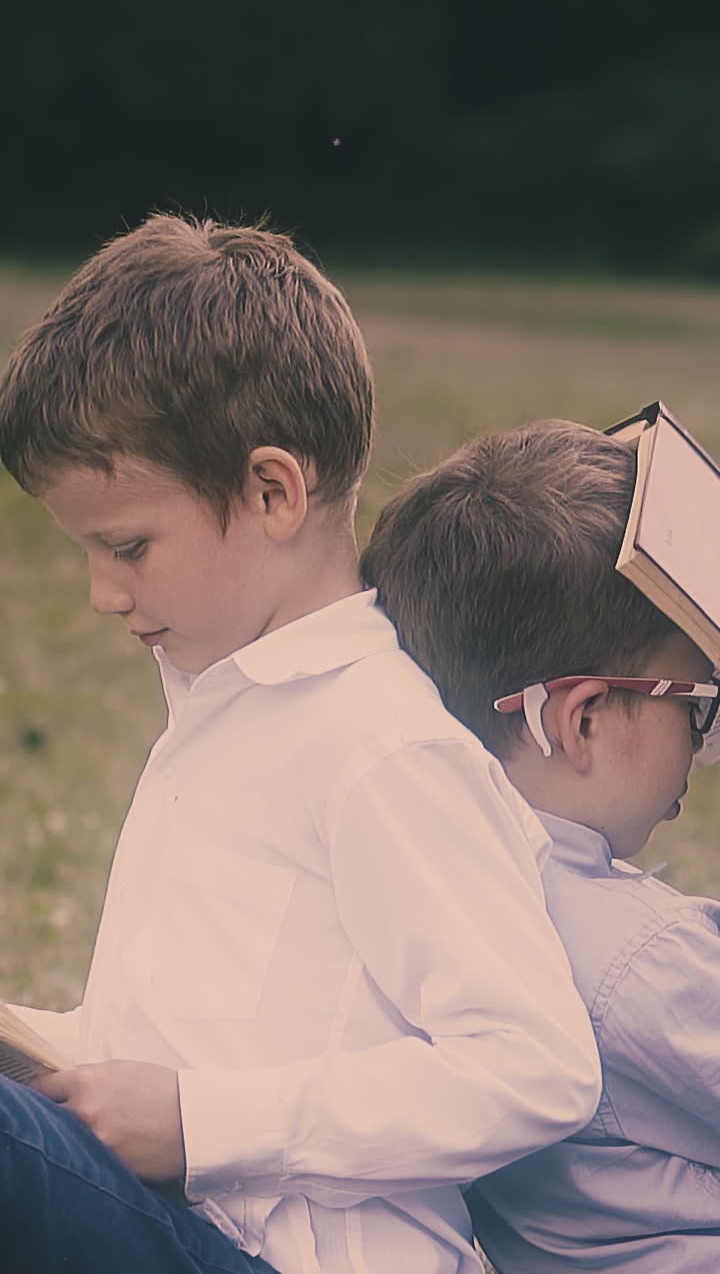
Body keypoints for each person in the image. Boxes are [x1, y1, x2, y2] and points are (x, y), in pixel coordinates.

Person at [0, 216, 600, 1274]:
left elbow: (536, 1066)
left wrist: (205, 1121)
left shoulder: (378, 741)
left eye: (127, 546)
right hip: (183, 1220)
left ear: (273, 490)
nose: (102, 593)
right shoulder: (225, 712)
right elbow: (207, 1027)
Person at [361, 415, 720, 1272]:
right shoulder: (639, 961)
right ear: (582, 718)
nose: (704, 744)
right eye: (697, 703)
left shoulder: (421, 891)